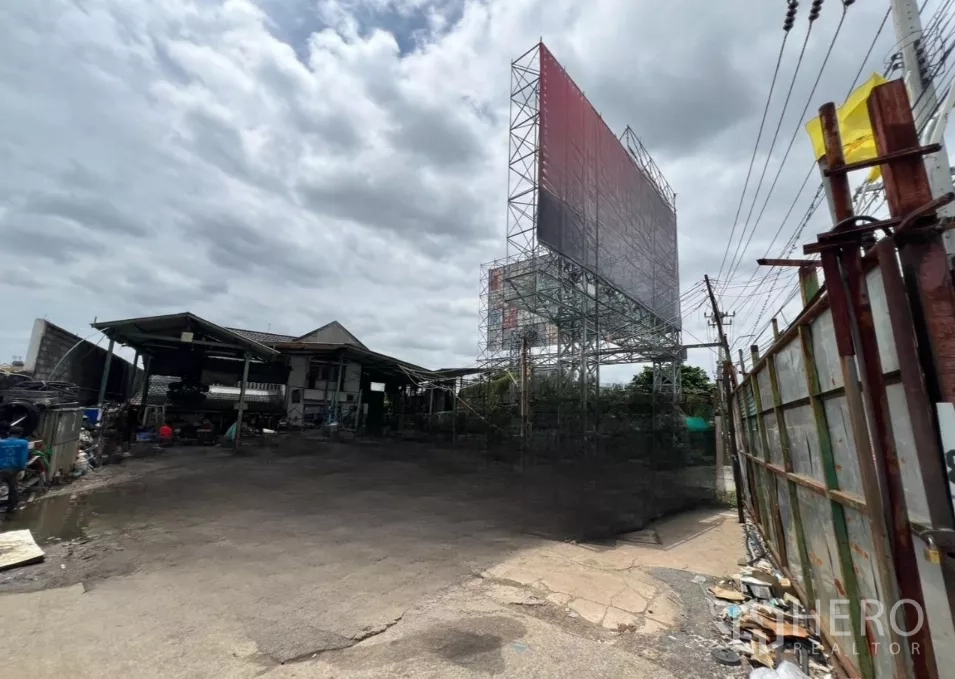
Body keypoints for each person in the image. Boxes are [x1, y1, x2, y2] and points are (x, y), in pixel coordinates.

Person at [0, 421, 30, 513]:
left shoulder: (1, 442)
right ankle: (11, 506)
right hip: (15, 468)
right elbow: (24, 456)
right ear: (20, 433)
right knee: (13, 487)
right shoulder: (24, 443)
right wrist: (22, 467)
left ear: (9, 433)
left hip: (2, 468)